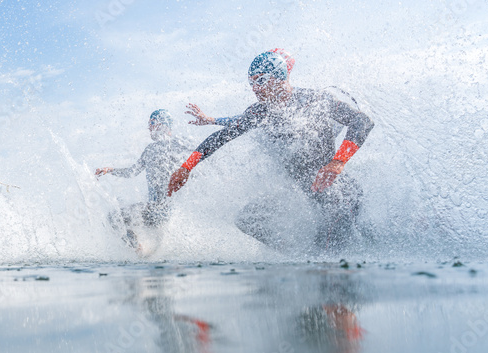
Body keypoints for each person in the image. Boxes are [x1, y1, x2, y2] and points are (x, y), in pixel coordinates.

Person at [167, 49, 375, 254]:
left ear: (279, 76)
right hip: (307, 195)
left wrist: (338, 161)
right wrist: (186, 167)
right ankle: (294, 256)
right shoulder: (259, 112)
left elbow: (362, 121)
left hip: (338, 194)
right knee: (248, 219)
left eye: (260, 80)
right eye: (251, 83)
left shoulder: (315, 100)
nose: (255, 89)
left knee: (329, 254)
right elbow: (221, 137)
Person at [96, 109, 192, 250]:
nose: (149, 127)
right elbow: (132, 172)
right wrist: (110, 170)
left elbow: (195, 161)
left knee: (114, 218)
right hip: (161, 211)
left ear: (162, 124)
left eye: (152, 123)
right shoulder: (151, 149)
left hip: (159, 209)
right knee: (154, 254)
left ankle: (137, 248)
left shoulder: (176, 144)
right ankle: (142, 250)